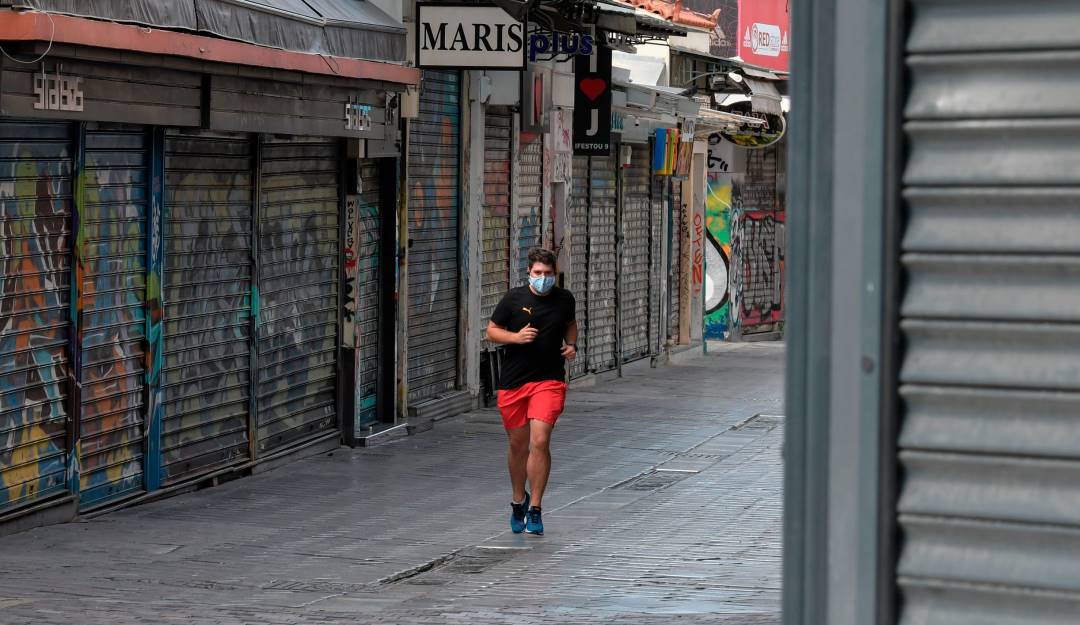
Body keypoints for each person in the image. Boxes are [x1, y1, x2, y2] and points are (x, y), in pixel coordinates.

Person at [486, 248, 577, 536]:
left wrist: (572, 345)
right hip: (513, 382)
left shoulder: (564, 299)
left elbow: (570, 325)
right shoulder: (513, 299)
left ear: (555, 274)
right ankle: (518, 499)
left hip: (549, 380)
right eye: (538, 273)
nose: (543, 279)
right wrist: (516, 337)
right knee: (518, 446)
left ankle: (536, 508)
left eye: (548, 274)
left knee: (540, 441)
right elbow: (491, 331)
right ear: (529, 272)